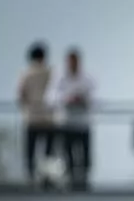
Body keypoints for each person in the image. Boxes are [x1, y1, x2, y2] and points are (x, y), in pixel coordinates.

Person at [55, 48, 94, 190]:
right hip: (67, 122)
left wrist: (83, 100)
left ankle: (84, 181)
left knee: (85, 155)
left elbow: (95, 99)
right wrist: (67, 99)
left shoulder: (87, 79)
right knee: (68, 154)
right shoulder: (60, 79)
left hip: (83, 123)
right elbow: (51, 97)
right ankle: (70, 180)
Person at [18, 41, 53, 184]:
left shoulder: (26, 74)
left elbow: (21, 95)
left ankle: (31, 179)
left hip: (31, 118)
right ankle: (47, 179)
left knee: (30, 152)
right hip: (48, 118)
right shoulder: (50, 72)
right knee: (48, 153)